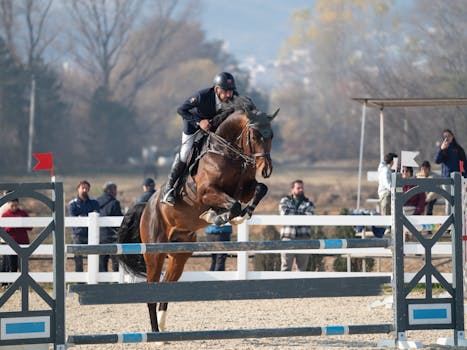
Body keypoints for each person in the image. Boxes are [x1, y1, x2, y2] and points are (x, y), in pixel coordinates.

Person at [161, 72, 238, 206]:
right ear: (216, 89)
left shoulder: (233, 98)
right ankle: (169, 188)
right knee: (185, 152)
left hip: (212, 128)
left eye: (230, 91)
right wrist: (199, 122)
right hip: (192, 125)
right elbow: (181, 110)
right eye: (225, 91)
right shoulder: (202, 96)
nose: (228, 95)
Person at [279, 179, 315, 272]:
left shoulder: (309, 203)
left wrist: (293, 214)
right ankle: (284, 286)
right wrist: (301, 214)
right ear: (292, 190)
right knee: (285, 267)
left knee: (302, 269)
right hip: (288, 238)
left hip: (304, 239)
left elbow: (309, 217)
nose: (301, 190)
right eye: (298, 188)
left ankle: (300, 287)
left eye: (302, 188)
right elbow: (284, 214)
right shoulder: (285, 201)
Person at [68, 180, 100, 272]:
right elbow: (74, 219)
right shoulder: (73, 204)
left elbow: (97, 214)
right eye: (83, 188)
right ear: (78, 189)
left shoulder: (94, 202)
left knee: (94, 259)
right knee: (78, 260)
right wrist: (87, 216)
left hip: (92, 235)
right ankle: (80, 284)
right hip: (78, 235)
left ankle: (93, 282)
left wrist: (83, 216)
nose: (85, 190)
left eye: (87, 188)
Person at [97, 182, 123, 272]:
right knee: (116, 264)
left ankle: (102, 285)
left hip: (100, 236)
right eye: (114, 190)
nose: (116, 192)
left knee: (102, 264)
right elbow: (118, 221)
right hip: (112, 237)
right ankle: (115, 284)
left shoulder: (97, 202)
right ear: (109, 191)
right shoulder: (114, 203)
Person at [1, 198, 32, 274]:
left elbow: (30, 227)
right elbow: (2, 230)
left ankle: (24, 283)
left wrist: (22, 224)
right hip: (11, 243)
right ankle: (11, 284)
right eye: (12, 205)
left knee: (23, 264)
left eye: (16, 205)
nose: (14, 207)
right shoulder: (5, 215)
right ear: (8, 205)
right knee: (12, 265)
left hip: (23, 242)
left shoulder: (23, 213)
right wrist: (11, 226)